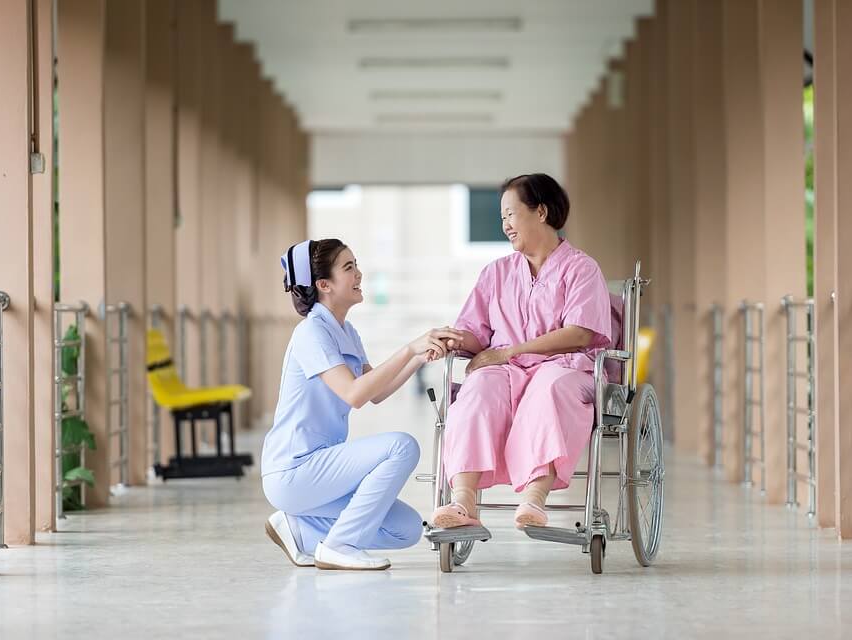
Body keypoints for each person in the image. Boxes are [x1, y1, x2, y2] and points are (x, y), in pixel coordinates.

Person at [262, 238, 460, 570]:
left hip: (319, 468)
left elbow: (375, 392)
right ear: (324, 285)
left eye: (356, 265)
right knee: (401, 446)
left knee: (405, 530)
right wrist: (409, 348)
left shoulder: (346, 331)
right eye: (349, 268)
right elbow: (354, 394)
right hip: (294, 469)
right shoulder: (312, 332)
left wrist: (421, 355)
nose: (359, 274)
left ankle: (299, 530)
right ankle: (340, 546)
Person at [429, 173, 613, 531]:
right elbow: (477, 333)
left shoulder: (581, 268)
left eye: (511, 215)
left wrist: (510, 351)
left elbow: (578, 333)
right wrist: (456, 340)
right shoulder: (496, 273)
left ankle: (534, 498)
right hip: (507, 368)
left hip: (566, 366)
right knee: (478, 389)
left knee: (549, 387)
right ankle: (463, 501)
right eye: (502, 218)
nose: (505, 225)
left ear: (541, 212)